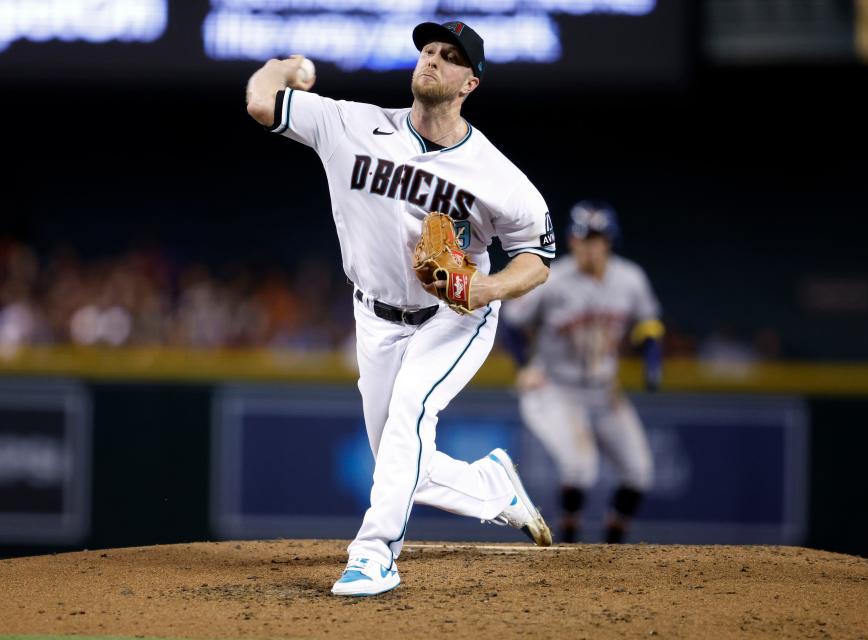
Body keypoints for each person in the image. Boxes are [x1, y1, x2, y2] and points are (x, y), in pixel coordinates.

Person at [245, 21, 557, 596]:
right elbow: (262, 101)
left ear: (470, 83)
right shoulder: (352, 124)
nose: (433, 60)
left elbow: (536, 259)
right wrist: (287, 67)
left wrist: (483, 291)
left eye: (450, 57)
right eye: (429, 51)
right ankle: (493, 488)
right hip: (374, 316)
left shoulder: (497, 176)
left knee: (409, 418)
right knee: (400, 461)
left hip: (454, 316)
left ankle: (373, 556)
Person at [502, 201, 664, 544]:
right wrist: (523, 366)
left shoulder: (630, 279)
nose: (589, 246)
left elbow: (648, 324)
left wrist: (652, 362)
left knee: (639, 473)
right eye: (583, 238)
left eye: (597, 239)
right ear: (571, 241)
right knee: (580, 468)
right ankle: (570, 548)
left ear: (609, 242)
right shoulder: (552, 279)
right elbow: (512, 324)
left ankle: (611, 549)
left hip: (604, 390)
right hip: (556, 388)